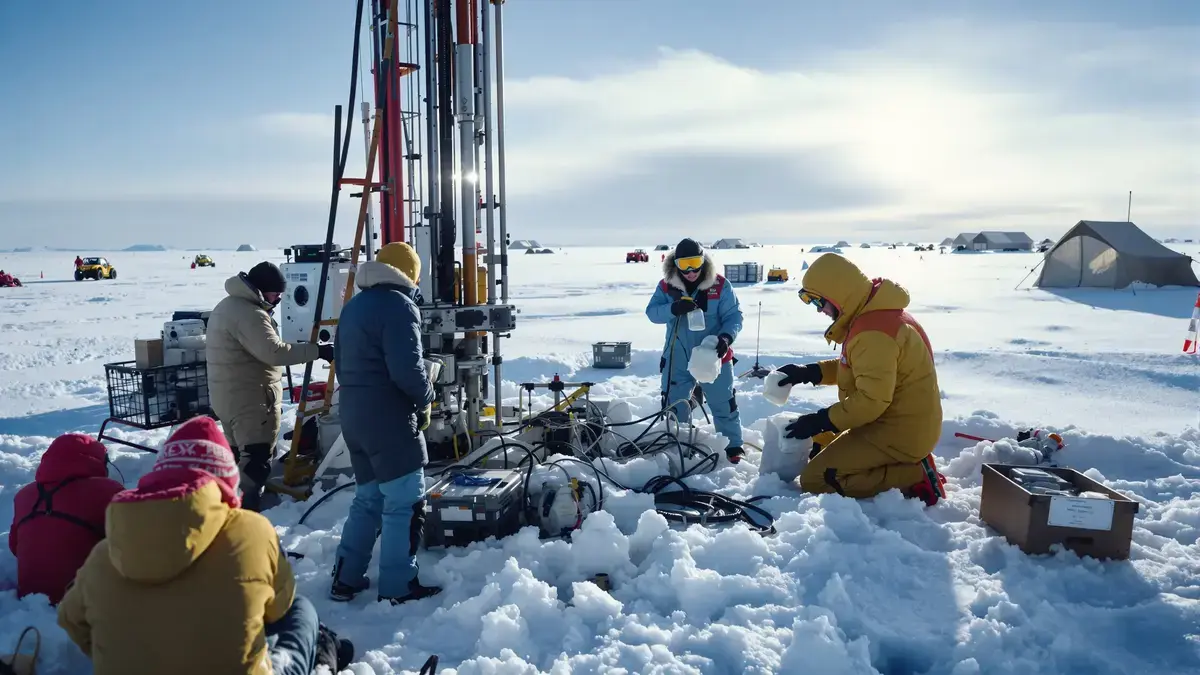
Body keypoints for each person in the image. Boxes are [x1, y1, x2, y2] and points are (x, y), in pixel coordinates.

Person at [56, 416, 352, 675]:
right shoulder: (252, 530)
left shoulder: (105, 552)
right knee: (301, 610)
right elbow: (279, 607)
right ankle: (324, 659)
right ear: (225, 483)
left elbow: (72, 620)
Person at [773, 253, 946, 505]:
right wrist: (808, 372)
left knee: (816, 478)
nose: (819, 310)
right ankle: (904, 463)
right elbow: (858, 368)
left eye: (819, 301)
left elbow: (871, 400)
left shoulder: (873, 333)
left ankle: (913, 474)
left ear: (837, 294)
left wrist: (821, 420)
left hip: (899, 433)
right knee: (819, 443)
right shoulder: (874, 314)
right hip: (895, 422)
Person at [328, 242, 441, 605]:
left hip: (354, 415)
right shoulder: (399, 306)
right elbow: (408, 370)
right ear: (410, 274)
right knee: (405, 502)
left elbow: (342, 364)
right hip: (388, 419)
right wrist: (426, 397)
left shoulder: (354, 306)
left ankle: (346, 577)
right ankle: (398, 584)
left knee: (369, 499)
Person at [206, 261, 334, 510]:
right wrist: (317, 351)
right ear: (262, 289)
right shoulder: (250, 314)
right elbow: (274, 352)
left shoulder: (228, 306)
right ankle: (249, 514)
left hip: (228, 397)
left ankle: (228, 506)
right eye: (276, 293)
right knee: (256, 459)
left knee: (236, 456)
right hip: (251, 401)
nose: (278, 298)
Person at [645, 238, 746, 462]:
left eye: (695, 262)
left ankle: (732, 447)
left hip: (714, 355)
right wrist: (673, 308)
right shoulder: (666, 287)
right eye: (684, 264)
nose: (691, 270)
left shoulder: (720, 285)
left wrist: (726, 337)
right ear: (675, 264)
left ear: (704, 261)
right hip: (677, 357)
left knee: (723, 402)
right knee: (675, 404)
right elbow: (652, 313)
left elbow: (734, 316)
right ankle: (678, 446)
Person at [9, 433, 124, 604]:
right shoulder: (108, 490)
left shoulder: (24, 495)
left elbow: (14, 546)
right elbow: (130, 541)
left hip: (31, 600)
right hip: (86, 599)